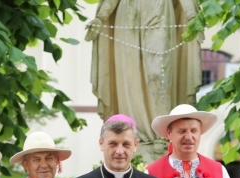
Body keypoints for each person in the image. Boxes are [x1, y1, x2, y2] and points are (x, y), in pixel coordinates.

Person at [85, 0, 201, 150]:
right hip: (127, 12)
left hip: (159, 10)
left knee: (158, 74)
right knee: (130, 76)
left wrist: (192, 16)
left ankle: (162, 133)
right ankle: (134, 134)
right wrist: (101, 17)